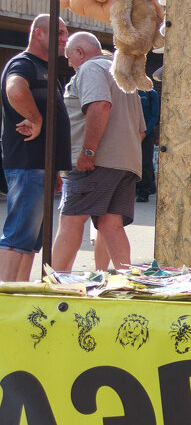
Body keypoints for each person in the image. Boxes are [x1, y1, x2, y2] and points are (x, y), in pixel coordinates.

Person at [50, 32, 145, 271]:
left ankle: (55, 284)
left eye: (69, 57)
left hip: (95, 162)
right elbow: (141, 130)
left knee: (70, 219)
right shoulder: (123, 78)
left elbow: (100, 105)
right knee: (111, 223)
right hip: (126, 163)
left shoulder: (90, 70)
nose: (69, 63)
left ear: (80, 52)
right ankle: (127, 281)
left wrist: (88, 152)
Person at [0, 15, 71, 281]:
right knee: (19, 233)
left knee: (31, 239)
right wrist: (37, 119)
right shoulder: (24, 64)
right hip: (28, 164)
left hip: (40, 166)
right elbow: (15, 88)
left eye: (65, 33)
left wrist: (52, 169)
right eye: (60, 33)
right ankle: (5, 298)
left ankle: (17, 293)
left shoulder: (45, 68)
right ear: (39, 33)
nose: (65, 38)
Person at [136, 76, 160, 202]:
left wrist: (145, 132)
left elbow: (155, 115)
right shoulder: (130, 92)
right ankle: (138, 188)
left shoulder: (152, 94)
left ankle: (144, 191)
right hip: (132, 133)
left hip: (146, 133)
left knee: (145, 161)